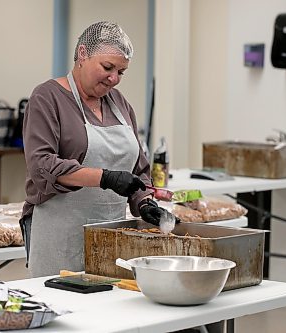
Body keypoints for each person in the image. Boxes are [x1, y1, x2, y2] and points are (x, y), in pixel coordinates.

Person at [20, 21, 176, 278]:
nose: (114, 79)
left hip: (109, 240)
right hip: (60, 238)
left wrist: (144, 201)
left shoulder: (119, 104)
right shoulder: (47, 98)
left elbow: (139, 167)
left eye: (121, 72)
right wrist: (105, 178)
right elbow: (42, 166)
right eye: (107, 67)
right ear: (83, 54)